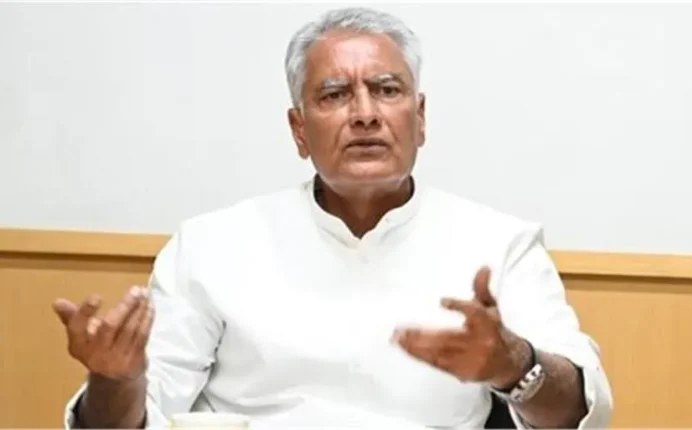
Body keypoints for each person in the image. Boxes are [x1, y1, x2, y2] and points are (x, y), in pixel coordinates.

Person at [54, 6, 613, 429]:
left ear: (420, 118)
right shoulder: (211, 244)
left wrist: (514, 365)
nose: (365, 114)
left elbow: (580, 412)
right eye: (335, 95)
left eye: (386, 90)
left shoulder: (499, 243)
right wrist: (114, 379)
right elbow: (129, 419)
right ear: (299, 130)